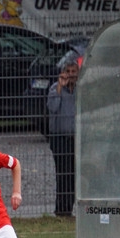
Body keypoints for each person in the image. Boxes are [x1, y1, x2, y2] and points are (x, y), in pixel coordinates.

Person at [46, 52, 79, 217]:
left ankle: (71, 207)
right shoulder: (55, 88)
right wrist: (60, 87)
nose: (71, 75)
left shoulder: (81, 89)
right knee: (62, 173)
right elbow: (52, 107)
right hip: (59, 137)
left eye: (74, 72)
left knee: (74, 173)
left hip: (77, 139)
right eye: (68, 72)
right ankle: (61, 209)